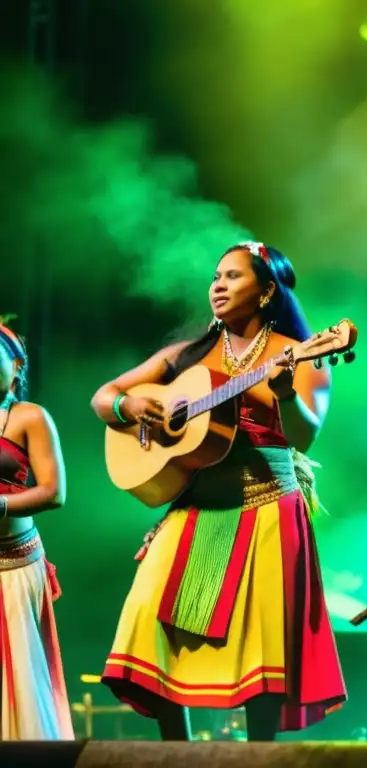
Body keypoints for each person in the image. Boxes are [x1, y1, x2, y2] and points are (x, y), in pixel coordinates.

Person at [91, 242, 348, 741]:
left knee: (260, 635)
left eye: (233, 276)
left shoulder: (302, 353)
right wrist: (131, 407)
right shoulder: (186, 356)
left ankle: (260, 754)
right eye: (216, 276)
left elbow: (306, 435)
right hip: (196, 501)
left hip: (267, 500)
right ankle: (175, 751)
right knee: (149, 615)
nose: (218, 285)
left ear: (268, 290)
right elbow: (104, 396)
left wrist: (286, 393)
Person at [0, 319, 74, 740]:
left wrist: (2, 504)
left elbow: (54, 491)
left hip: (14, 566)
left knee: (21, 674)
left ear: (15, 367)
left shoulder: (29, 417)